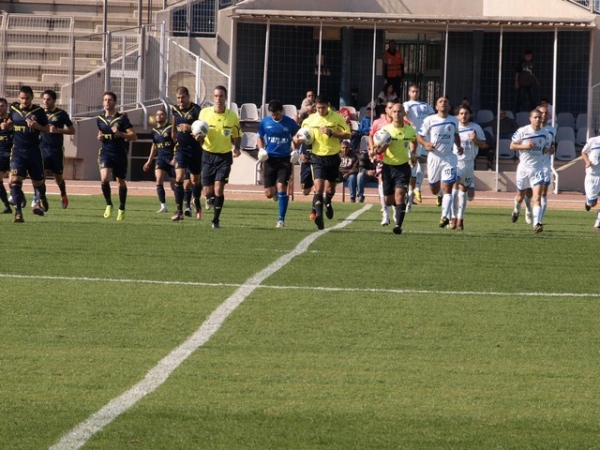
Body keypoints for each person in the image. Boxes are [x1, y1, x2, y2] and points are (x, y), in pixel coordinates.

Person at [294, 94, 351, 230]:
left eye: (323, 108)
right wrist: (297, 140)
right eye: (318, 108)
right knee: (318, 188)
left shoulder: (336, 117)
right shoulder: (310, 120)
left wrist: (332, 133)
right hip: (317, 158)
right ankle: (319, 216)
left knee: (330, 189)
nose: (321, 110)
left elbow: (348, 134)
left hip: (333, 157)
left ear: (328, 106)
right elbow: (298, 136)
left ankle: (328, 202)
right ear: (315, 107)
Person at [196, 85, 241, 229]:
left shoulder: (232, 116)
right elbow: (199, 134)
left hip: (224, 157)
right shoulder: (204, 113)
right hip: (207, 155)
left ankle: (215, 220)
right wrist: (198, 138)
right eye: (216, 96)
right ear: (213, 97)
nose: (218, 99)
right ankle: (208, 198)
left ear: (225, 98)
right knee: (208, 191)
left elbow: (237, 135)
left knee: (219, 189)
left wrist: (237, 148)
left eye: (221, 96)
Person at [417, 96, 463, 228]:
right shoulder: (429, 120)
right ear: (436, 107)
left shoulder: (454, 120)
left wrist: (459, 146)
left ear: (449, 106)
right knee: (434, 189)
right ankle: (439, 195)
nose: (443, 103)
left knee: (448, 187)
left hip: (449, 158)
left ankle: (444, 216)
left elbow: (456, 134)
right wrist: (426, 144)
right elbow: (419, 136)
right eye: (440, 102)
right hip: (434, 158)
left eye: (446, 102)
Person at [8, 86, 50, 223]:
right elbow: (10, 121)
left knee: (38, 183)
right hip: (18, 152)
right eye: (22, 98)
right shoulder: (13, 109)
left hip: (33, 152)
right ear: (18, 98)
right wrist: (6, 125)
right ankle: (18, 213)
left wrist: (37, 127)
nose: (24, 101)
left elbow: (48, 129)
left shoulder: (38, 112)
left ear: (32, 98)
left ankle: (42, 196)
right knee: (15, 181)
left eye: (27, 98)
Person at [375, 102, 417, 235]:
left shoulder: (410, 130)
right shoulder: (385, 130)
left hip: (403, 167)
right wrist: (379, 149)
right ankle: (396, 206)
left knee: (400, 194)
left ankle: (398, 225)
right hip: (388, 167)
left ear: (404, 113)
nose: (397, 114)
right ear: (390, 113)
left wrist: (413, 153)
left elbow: (414, 141)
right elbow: (377, 150)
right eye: (394, 111)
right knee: (388, 201)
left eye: (400, 111)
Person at [256, 99, 299, 227]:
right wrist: (261, 149)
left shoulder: (290, 123)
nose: (275, 117)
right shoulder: (265, 122)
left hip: (285, 160)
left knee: (282, 187)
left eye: (277, 114)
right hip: (270, 159)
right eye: (273, 115)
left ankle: (281, 219)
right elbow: (259, 136)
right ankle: (274, 193)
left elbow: (296, 137)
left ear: (282, 111)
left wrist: (295, 150)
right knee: (269, 194)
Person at [97, 91, 137, 221]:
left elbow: (134, 136)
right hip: (106, 152)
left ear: (115, 102)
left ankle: (122, 207)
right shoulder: (100, 119)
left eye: (110, 100)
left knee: (120, 182)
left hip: (119, 153)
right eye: (105, 100)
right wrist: (100, 137)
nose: (107, 102)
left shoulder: (122, 119)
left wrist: (120, 133)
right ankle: (109, 204)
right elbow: (101, 133)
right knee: (104, 177)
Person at [509, 109, 551, 233]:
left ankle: (537, 223)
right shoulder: (523, 131)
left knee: (537, 197)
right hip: (523, 168)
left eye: (539, 117)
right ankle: (516, 209)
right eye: (535, 117)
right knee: (520, 196)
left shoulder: (545, 133)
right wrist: (525, 146)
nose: (538, 119)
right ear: (530, 118)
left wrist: (547, 150)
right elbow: (512, 145)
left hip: (537, 168)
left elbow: (545, 148)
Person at [450, 104, 487, 230]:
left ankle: (460, 219)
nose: (463, 116)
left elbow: (484, 145)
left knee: (463, 193)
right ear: (457, 115)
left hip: (469, 163)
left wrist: (475, 140)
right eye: (461, 113)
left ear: (470, 115)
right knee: (454, 189)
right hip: (455, 161)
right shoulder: (453, 127)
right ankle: (453, 217)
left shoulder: (476, 128)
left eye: (466, 113)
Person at [37, 89, 75, 210]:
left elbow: (72, 130)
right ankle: (41, 199)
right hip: (42, 149)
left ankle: (63, 193)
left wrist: (58, 130)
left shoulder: (61, 114)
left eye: (48, 99)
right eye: (44, 99)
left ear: (54, 100)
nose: (45, 101)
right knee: (40, 177)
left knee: (58, 178)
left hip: (56, 150)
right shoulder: (39, 113)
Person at [170, 86, 203, 222]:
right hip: (181, 149)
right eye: (178, 98)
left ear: (188, 97)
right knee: (179, 177)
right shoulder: (175, 109)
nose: (180, 100)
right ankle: (179, 211)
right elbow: (174, 119)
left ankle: (196, 200)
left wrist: (190, 128)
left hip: (195, 149)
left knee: (195, 180)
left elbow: (203, 127)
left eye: (183, 97)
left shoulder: (196, 110)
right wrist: (173, 131)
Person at [403, 84, 435, 207]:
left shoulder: (425, 105)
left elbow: (432, 117)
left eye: (417, 91)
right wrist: (410, 123)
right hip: (414, 137)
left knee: (423, 163)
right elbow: (405, 114)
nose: (415, 93)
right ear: (409, 93)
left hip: (425, 137)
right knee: (413, 163)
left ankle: (417, 188)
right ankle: (409, 194)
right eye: (413, 91)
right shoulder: (407, 104)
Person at [143, 108, 175, 213]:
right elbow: (154, 146)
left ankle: (184, 203)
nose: (159, 116)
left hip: (171, 159)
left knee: (174, 186)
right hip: (161, 159)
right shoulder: (154, 131)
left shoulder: (171, 128)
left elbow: (178, 143)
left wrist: (176, 157)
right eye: (157, 114)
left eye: (161, 114)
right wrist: (149, 161)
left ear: (165, 116)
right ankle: (163, 206)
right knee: (159, 181)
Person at [369, 101, 395, 225]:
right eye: (390, 108)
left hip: (396, 159)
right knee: (382, 183)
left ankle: (395, 208)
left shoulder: (401, 124)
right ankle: (385, 214)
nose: (392, 110)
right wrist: (372, 150)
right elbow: (371, 136)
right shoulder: (378, 122)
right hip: (381, 158)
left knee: (395, 187)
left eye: (394, 108)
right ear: (386, 109)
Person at [538, 105, 556, 225]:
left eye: (546, 113)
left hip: (545, 164)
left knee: (543, 193)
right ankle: (529, 209)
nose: (544, 115)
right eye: (542, 113)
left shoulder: (552, 130)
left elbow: (552, 146)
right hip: (532, 165)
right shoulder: (529, 130)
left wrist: (551, 149)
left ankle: (539, 220)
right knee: (530, 193)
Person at [581, 133, 600, 229]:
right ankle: (588, 202)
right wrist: (587, 162)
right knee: (592, 203)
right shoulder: (593, 140)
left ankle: (598, 223)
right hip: (592, 175)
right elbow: (584, 152)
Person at [0, 98, 14, 214]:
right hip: (1, 154)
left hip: (13, 153)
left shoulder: (12, 118)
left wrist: (9, 125)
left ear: (6, 107)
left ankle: (19, 199)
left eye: (2, 106)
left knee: (12, 182)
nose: (0, 108)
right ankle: (7, 206)